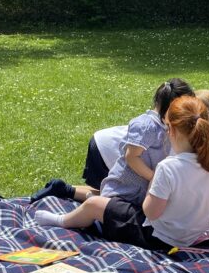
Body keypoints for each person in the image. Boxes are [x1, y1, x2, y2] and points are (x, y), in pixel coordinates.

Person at [33, 96, 209, 251]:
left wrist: (152, 184)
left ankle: (63, 221)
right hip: (196, 234)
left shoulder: (168, 167)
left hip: (162, 238)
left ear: (171, 130)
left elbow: (151, 212)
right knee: (116, 203)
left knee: (94, 204)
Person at [32, 78, 193, 206]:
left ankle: (64, 189)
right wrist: (155, 177)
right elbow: (131, 157)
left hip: (134, 179)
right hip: (104, 152)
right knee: (110, 205)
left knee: (112, 198)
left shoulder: (165, 125)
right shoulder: (147, 126)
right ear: (170, 109)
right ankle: (72, 197)